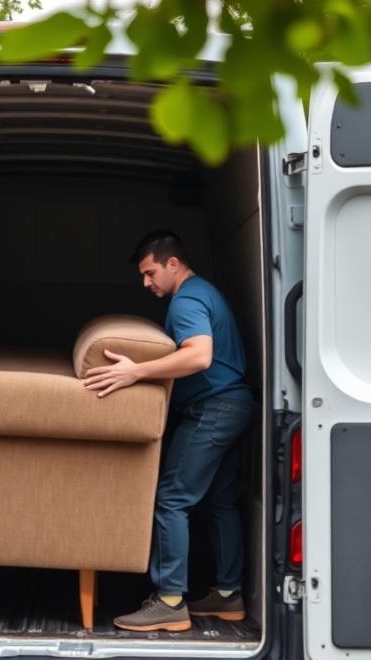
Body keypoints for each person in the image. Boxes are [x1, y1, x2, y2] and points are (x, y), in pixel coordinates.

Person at [82, 229, 255, 633]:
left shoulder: (187, 300)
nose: (146, 283)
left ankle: (170, 600)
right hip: (235, 404)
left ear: (172, 264)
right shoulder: (205, 292)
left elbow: (198, 355)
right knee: (220, 503)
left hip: (213, 409)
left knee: (172, 500)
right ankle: (228, 595)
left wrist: (135, 371)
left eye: (150, 273)